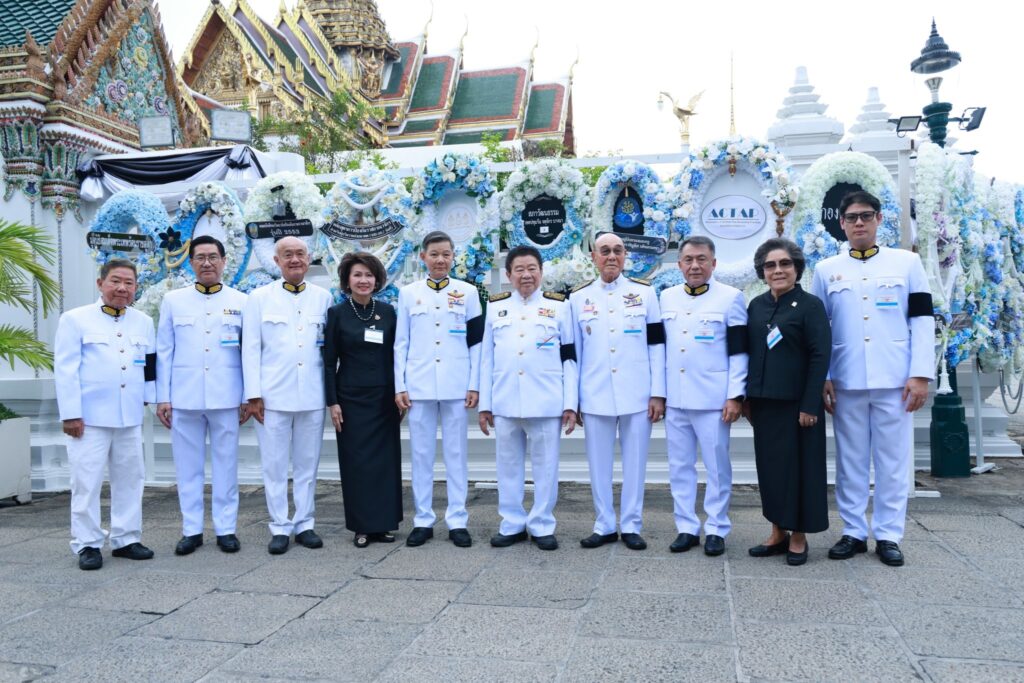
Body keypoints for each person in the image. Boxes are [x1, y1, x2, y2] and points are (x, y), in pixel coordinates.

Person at [811, 191, 934, 567]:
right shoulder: (826, 270)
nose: (859, 223)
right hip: (846, 379)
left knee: (892, 461)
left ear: (879, 219)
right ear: (842, 224)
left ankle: (888, 534)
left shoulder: (907, 263)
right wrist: (824, 376)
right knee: (850, 461)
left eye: (866, 215)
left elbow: (922, 320)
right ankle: (853, 531)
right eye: (851, 217)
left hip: (895, 379)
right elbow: (820, 328)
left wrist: (920, 374)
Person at [54, 259, 156, 570]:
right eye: (116, 281)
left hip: (129, 415)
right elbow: (66, 370)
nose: (122, 288)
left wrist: (152, 401)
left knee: (131, 479)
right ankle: (87, 543)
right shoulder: (75, 319)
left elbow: (149, 367)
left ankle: (126, 538)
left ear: (136, 287)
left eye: (129, 283)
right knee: (86, 482)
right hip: (89, 419)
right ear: (100, 284)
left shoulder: (143, 322)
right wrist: (71, 414)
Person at [478, 245, 578, 551]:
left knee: (546, 468)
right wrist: (485, 405)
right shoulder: (496, 307)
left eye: (532, 268)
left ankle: (542, 523)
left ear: (541, 272)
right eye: (519, 269)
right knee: (508, 467)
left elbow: (570, 358)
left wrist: (570, 403)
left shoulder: (560, 306)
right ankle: (512, 523)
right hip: (505, 400)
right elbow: (487, 358)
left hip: (546, 401)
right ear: (508, 274)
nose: (526, 275)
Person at [570, 232, 665, 551]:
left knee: (635, 463)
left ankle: (632, 524)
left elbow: (656, 346)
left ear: (625, 257)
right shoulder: (578, 298)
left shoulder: (645, 294)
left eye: (618, 251)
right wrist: (574, 400)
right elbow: (575, 352)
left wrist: (658, 393)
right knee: (598, 464)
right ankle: (604, 524)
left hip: (637, 393)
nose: (611, 256)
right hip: (594, 393)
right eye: (605, 251)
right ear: (593, 257)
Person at [156, 235, 249, 556]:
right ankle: (191, 530)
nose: (207, 263)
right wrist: (163, 397)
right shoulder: (174, 301)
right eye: (200, 257)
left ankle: (226, 529)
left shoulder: (242, 301)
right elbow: (164, 351)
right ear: (191, 262)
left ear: (224, 261)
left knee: (226, 465)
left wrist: (248, 396)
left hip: (227, 396)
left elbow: (248, 353)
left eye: (213, 257)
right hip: (185, 397)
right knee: (187, 468)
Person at [242, 236, 331, 555]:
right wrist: (253, 395)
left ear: (309, 259)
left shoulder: (323, 297)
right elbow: (250, 348)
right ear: (276, 261)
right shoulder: (259, 298)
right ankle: (280, 525)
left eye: (300, 254)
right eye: (287, 254)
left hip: (312, 394)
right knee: (275, 465)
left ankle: (305, 523)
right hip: (272, 397)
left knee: (308, 464)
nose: (295, 259)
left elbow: (328, 348)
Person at [745, 238, 831, 566]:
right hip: (764, 404)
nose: (777, 270)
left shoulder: (810, 306)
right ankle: (777, 531)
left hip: (799, 406)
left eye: (784, 264)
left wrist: (810, 405)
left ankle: (799, 536)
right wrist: (747, 398)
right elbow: (750, 353)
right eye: (770, 265)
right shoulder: (756, 306)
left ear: (797, 268)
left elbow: (820, 356)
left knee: (801, 471)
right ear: (762, 271)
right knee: (771, 470)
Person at [659, 236, 747, 556]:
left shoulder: (731, 297)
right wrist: (659, 394)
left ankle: (716, 527)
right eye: (688, 260)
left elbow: (739, 351)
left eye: (701, 259)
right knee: (679, 465)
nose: (695, 265)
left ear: (714, 263)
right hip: (676, 398)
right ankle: (686, 526)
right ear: (679, 264)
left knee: (716, 467)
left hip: (713, 400)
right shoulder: (666, 297)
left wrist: (735, 395)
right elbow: (661, 350)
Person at [394, 232, 482, 548]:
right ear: (423, 257)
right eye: (434, 254)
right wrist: (400, 385)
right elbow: (400, 342)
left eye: (446, 254)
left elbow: (476, 343)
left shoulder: (468, 292)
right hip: (419, 386)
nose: (440, 260)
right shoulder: (408, 294)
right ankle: (423, 519)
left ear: (453, 256)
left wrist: (474, 384)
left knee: (456, 455)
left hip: (456, 384)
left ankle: (457, 520)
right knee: (421, 455)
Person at [324, 252, 403, 548]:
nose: (364, 280)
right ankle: (361, 526)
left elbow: (397, 356)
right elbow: (328, 362)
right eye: (357, 274)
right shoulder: (337, 314)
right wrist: (332, 402)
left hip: (384, 399)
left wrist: (399, 393)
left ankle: (383, 524)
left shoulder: (388, 312)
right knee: (357, 464)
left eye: (369, 275)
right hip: (350, 400)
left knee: (385, 463)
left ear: (377, 280)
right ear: (347, 280)